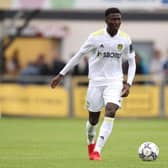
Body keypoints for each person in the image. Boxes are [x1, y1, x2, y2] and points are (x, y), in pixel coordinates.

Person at [50, 8, 136, 161]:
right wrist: (61, 74)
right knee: (93, 120)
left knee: (111, 110)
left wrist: (128, 83)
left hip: (115, 81)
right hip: (96, 82)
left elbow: (132, 62)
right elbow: (79, 55)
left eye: (118, 19)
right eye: (113, 19)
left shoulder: (125, 39)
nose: (116, 22)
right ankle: (91, 143)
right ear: (106, 20)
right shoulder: (95, 37)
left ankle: (97, 151)